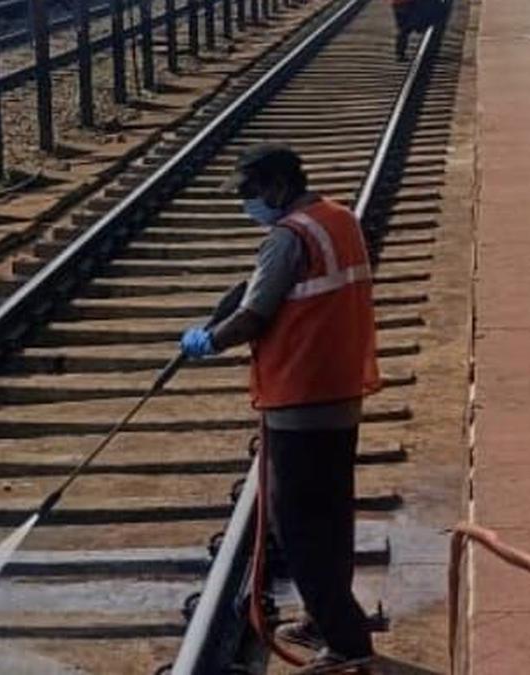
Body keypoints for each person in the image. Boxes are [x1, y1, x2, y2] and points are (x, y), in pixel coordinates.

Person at [180, 144, 382, 674]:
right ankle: (327, 618)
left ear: (276, 187)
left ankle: (347, 643)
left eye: (249, 195)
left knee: (301, 529)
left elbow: (252, 317)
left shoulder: (287, 237)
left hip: (300, 397)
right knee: (331, 518)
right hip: (339, 390)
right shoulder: (337, 218)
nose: (246, 205)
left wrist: (208, 341)